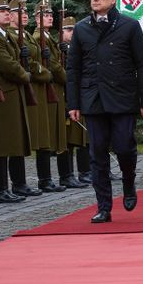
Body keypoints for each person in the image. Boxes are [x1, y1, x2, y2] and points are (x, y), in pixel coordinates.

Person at [67, 0, 143, 223]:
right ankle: (103, 206)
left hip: (122, 97)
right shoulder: (82, 28)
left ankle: (128, 182)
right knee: (98, 154)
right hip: (93, 98)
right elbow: (73, 68)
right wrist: (73, 103)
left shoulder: (129, 26)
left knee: (125, 146)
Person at [0, 0, 31, 203]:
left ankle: (13, 185)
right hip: (4, 91)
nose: (7, 13)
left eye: (7, 10)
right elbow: (5, 63)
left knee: (13, 139)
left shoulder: (5, 35)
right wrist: (25, 75)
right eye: (2, 11)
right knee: (2, 142)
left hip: (13, 91)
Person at [7, 0, 49, 195]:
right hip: (26, 83)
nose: (23, 14)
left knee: (35, 134)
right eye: (19, 11)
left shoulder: (24, 35)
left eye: (25, 11)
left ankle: (28, 181)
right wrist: (43, 72)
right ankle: (18, 182)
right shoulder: (11, 35)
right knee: (18, 137)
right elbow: (29, 62)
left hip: (33, 86)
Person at [32, 2, 71, 192]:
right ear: (36, 18)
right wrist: (68, 79)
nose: (50, 17)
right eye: (45, 15)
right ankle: (46, 179)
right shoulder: (40, 37)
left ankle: (62, 176)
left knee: (55, 133)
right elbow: (54, 66)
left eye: (50, 14)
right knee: (46, 135)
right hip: (50, 87)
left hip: (55, 88)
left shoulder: (47, 37)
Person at [57, 16, 91, 186]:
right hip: (64, 96)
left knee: (83, 136)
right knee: (67, 139)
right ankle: (67, 174)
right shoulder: (59, 48)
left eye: (73, 29)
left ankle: (86, 171)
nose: (72, 33)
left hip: (79, 95)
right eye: (68, 30)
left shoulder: (76, 47)